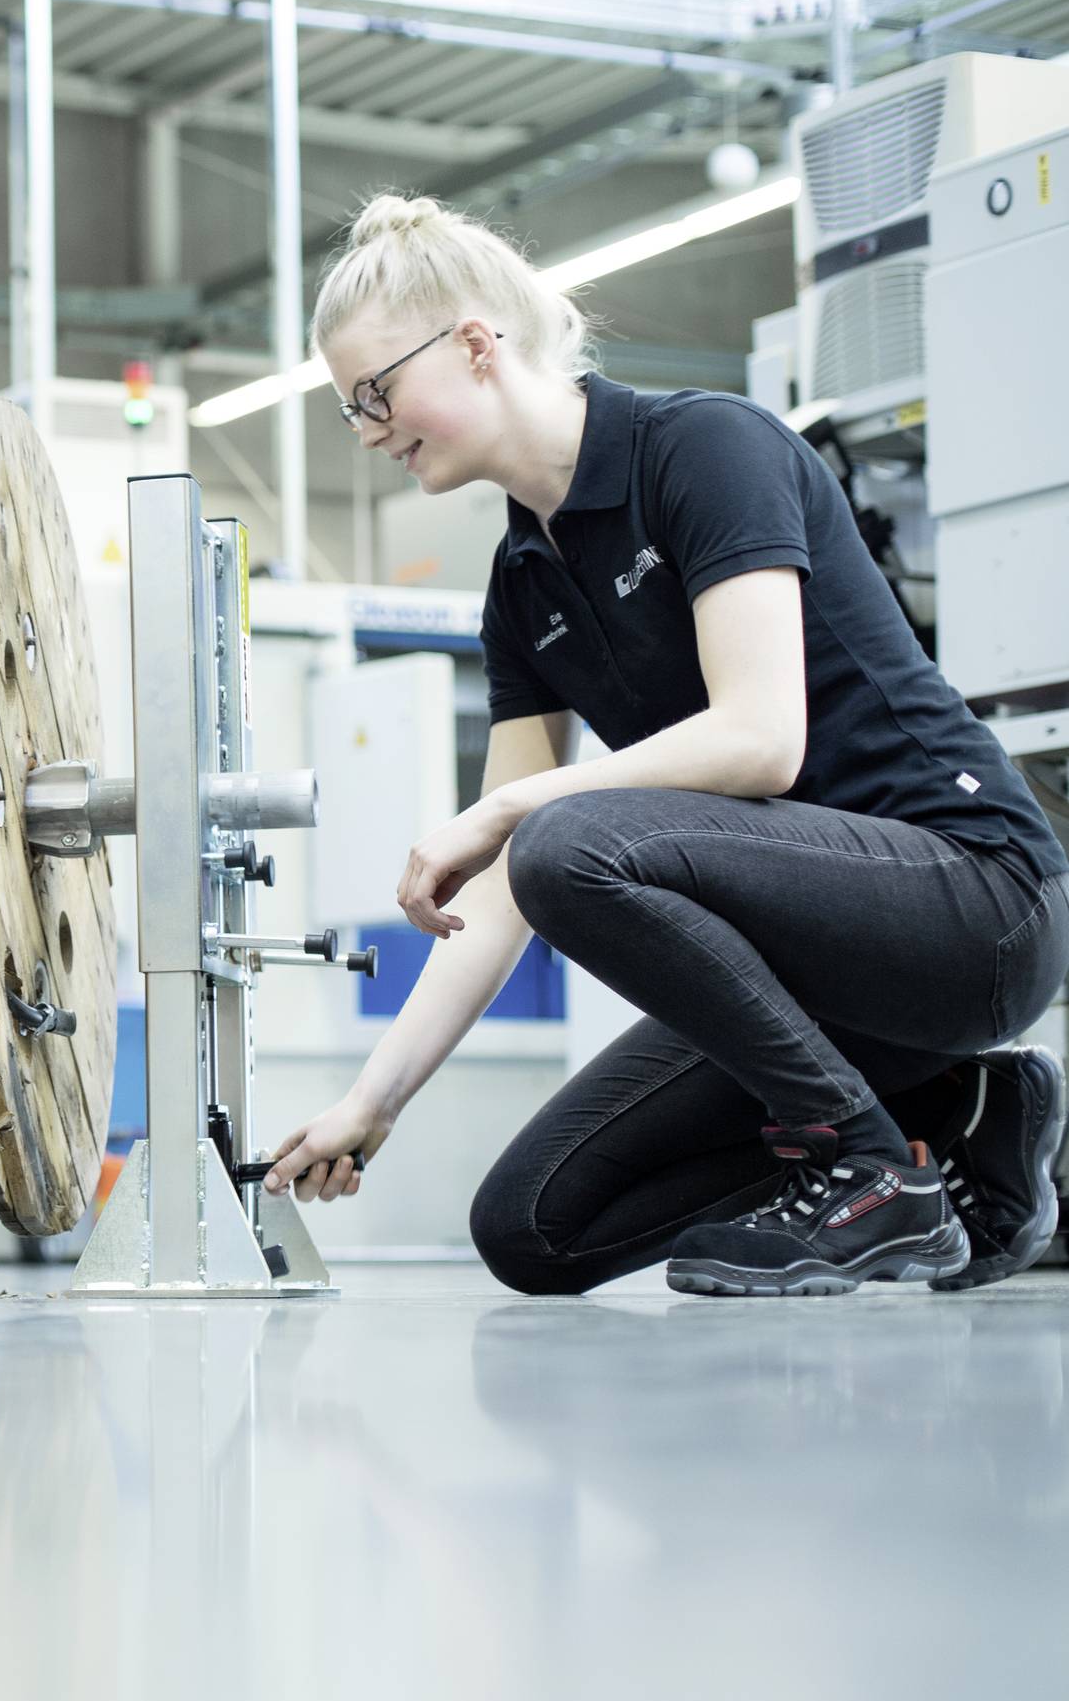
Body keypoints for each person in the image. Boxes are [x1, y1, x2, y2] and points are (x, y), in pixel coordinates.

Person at [259, 194, 1068, 1297]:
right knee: (534, 1227)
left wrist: (511, 808)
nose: (365, 429)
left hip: (971, 903)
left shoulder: (701, 449)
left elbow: (761, 737)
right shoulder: (523, 583)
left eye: (375, 393)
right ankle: (962, 1114)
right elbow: (493, 894)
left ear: (476, 346)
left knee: (561, 840)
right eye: (347, 407)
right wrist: (374, 1099)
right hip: (825, 983)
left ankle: (871, 1170)